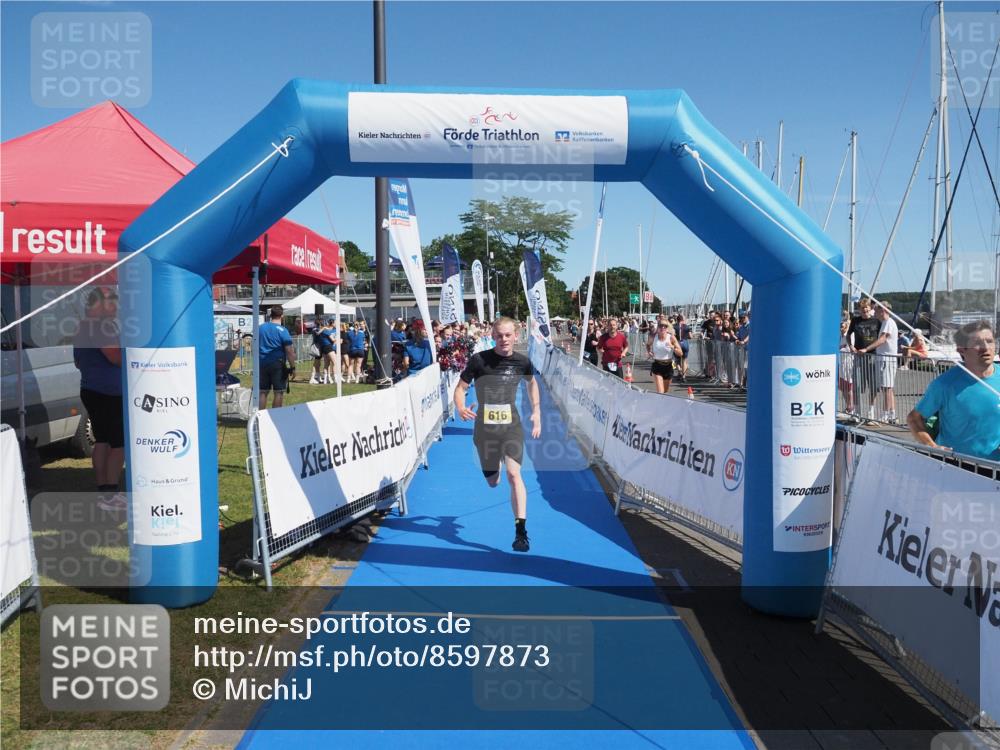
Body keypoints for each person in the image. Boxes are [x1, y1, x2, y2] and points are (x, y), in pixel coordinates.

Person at [454, 317, 541, 552]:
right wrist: (461, 407)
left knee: (515, 475)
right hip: (485, 431)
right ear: (493, 336)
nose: (504, 339)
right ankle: (495, 468)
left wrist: (536, 411)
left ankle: (521, 532)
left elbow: (532, 383)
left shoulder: (522, 362)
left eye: (508, 335)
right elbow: (460, 389)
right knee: (494, 482)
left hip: (511, 427)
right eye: (499, 335)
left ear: (516, 336)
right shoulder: (479, 360)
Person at [907, 320, 1000, 461]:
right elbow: (914, 418)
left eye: (989, 341)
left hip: (995, 468)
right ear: (961, 350)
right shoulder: (945, 384)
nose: (985, 348)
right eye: (977, 343)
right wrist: (932, 446)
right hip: (956, 467)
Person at [73, 288, 125, 511]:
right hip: (108, 393)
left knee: (102, 441)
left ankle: (105, 493)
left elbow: (77, 362)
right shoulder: (102, 327)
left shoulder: (83, 326)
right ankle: (111, 494)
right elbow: (114, 357)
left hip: (91, 389)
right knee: (119, 444)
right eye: (112, 303)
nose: (115, 308)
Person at [859, 301, 899, 423]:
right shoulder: (885, 323)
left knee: (887, 388)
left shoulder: (888, 323)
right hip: (884, 359)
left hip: (886, 359)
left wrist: (866, 349)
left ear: (883, 311)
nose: (874, 312)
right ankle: (892, 414)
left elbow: (882, 339)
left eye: (876, 310)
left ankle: (885, 415)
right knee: (888, 388)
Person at [848, 298, 881, 420]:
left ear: (870, 308)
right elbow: (848, 335)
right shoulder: (855, 320)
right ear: (859, 310)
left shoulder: (877, 321)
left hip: (872, 356)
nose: (865, 310)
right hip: (858, 357)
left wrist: (868, 349)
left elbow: (881, 338)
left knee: (873, 385)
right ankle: (857, 411)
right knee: (857, 385)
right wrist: (851, 346)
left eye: (866, 307)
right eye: (862, 308)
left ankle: (870, 411)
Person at [258, 306, 296, 409]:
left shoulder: (260, 328)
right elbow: (289, 351)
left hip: (261, 363)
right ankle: (275, 417)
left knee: (262, 392)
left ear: (271, 315)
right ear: (282, 316)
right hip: (277, 364)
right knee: (278, 392)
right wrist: (293, 367)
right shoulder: (283, 331)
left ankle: (260, 418)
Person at [646, 320, 683, 394]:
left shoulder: (671, 338)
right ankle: (659, 404)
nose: (663, 327)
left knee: (665, 391)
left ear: (667, 328)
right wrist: (649, 351)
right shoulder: (653, 337)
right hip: (657, 366)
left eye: (665, 326)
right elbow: (648, 345)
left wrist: (672, 347)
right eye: (661, 325)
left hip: (668, 366)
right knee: (661, 392)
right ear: (658, 327)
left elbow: (680, 353)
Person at [309, 319, 336, 384]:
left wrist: (324, 328)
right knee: (317, 364)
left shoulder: (315, 329)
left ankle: (318, 378)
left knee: (319, 363)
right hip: (318, 347)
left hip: (320, 347)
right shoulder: (318, 330)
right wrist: (324, 328)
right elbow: (319, 333)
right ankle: (313, 378)